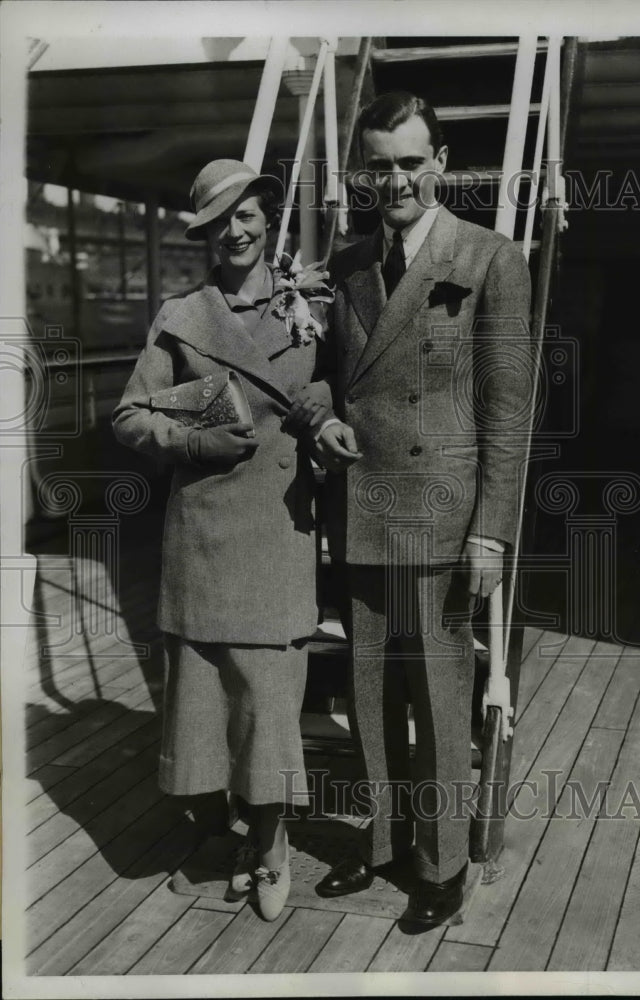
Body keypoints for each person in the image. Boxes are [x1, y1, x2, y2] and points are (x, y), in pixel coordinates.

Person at [311, 91, 533, 925]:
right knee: (369, 695)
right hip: (363, 505)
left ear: (440, 161)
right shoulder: (345, 265)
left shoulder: (489, 257)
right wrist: (320, 414)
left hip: (444, 517)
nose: (395, 179)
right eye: (379, 164)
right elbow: (329, 375)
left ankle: (440, 867)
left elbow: (508, 412)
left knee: (441, 701)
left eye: (411, 162)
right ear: (361, 171)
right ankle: (380, 847)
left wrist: (491, 531)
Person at [112, 158, 332, 921]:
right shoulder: (182, 317)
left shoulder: (312, 304)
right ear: (204, 233)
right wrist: (196, 445)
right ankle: (217, 836)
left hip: (276, 528)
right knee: (204, 700)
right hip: (202, 531)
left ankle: (269, 848)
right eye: (217, 222)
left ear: (269, 216)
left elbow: (336, 386)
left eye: (247, 214)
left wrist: (328, 416)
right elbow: (131, 416)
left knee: (267, 700)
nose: (234, 231)